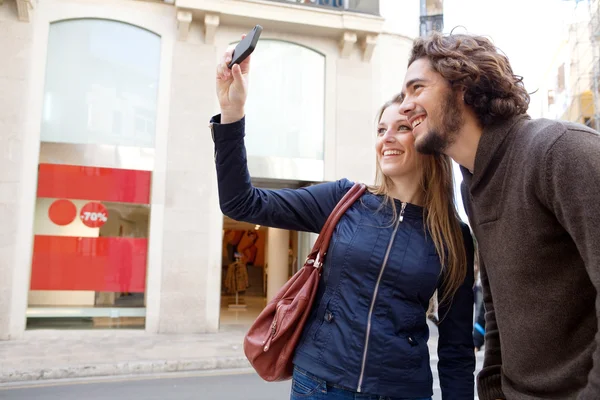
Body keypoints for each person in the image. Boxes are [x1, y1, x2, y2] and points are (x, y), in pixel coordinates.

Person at [211, 42, 475, 399]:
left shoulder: (453, 237)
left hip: (401, 391)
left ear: (426, 139)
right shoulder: (345, 199)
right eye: (381, 130)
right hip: (319, 385)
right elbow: (241, 202)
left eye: (401, 127)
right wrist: (232, 113)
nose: (388, 139)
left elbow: (456, 350)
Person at [398, 31, 600, 400]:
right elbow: (493, 302)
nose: (404, 106)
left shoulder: (560, 151)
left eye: (417, 88)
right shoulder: (471, 184)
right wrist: (492, 388)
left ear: (463, 86)